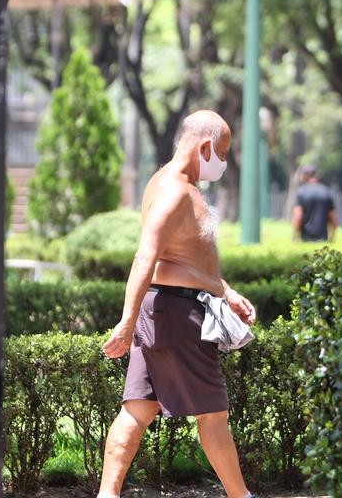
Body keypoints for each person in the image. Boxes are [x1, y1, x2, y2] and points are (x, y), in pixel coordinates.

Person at [99, 110, 260, 498]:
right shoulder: (175, 192)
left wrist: (226, 291)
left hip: (167, 309)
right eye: (222, 153)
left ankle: (107, 495)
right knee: (214, 415)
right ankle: (243, 497)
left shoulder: (166, 182)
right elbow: (147, 256)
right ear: (204, 147)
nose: (222, 162)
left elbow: (183, 255)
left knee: (137, 409)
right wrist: (126, 320)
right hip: (178, 314)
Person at [292, 164, 337, 242]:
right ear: (315, 175)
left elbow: (298, 216)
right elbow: (333, 218)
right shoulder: (326, 191)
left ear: (305, 176)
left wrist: (295, 236)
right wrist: (332, 237)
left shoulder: (301, 192)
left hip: (305, 240)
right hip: (323, 240)